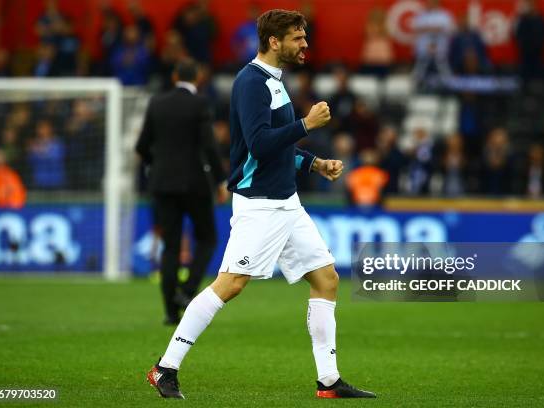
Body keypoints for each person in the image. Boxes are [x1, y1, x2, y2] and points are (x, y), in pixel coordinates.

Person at [146, 9, 376, 400]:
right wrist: (306, 124)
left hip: (287, 201)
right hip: (260, 204)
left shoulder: (275, 81)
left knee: (326, 279)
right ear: (275, 41)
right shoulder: (251, 82)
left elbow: (277, 146)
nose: (306, 44)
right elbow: (257, 144)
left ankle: (329, 381)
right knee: (230, 284)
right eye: (298, 38)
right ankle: (164, 368)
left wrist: (313, 162)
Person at [135, 59, 228, 324]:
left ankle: (169, 313)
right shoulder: (199, 104)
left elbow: (142, 147)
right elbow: (209, 146)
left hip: (162, 185)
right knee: (207, 238)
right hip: (194, 184)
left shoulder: (157, 103)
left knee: (171, 247)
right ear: (197, 78)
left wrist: (158, 165)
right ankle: (187, 293)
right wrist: (220, 182)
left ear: (175, 76)